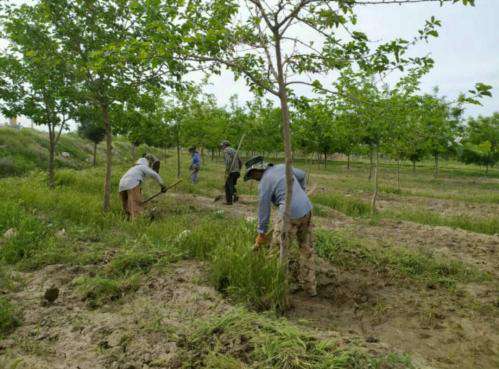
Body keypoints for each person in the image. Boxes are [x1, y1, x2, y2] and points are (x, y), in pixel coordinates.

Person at [244, 156, 317, 296]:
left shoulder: (264, 182)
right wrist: (302, 191)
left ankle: (275, 287)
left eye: (252, 176)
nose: (254, 179)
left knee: (277, 252)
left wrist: (261, 232)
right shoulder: (282, 167)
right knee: (306, 249)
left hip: (288, 214)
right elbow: (302, 175)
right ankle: (310, 288)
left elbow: (263, 209)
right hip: (307, 209)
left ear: (257, 171)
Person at [119, 154, 166, 219]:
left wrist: (139, 194)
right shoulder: (142, 167)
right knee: (136, 204)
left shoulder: (133, 169)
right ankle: (137, 222)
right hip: (132, 183)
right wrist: (162, 185)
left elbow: (138, 185)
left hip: (121, 186)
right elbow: (155, 175)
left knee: (126, 205)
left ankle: (127, 219)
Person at [221, 140, 241, 205]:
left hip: (231, 171)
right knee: (229, 185)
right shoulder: (234, 150)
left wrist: (227, 170)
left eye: (222, 145)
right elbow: (240, 161)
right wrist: (238, 169)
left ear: (224, 145)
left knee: (229, 185)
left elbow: (228, 161)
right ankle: (229, 201)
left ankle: (235, 195)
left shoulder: (226, 151)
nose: (221, 147)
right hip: (236, 171)